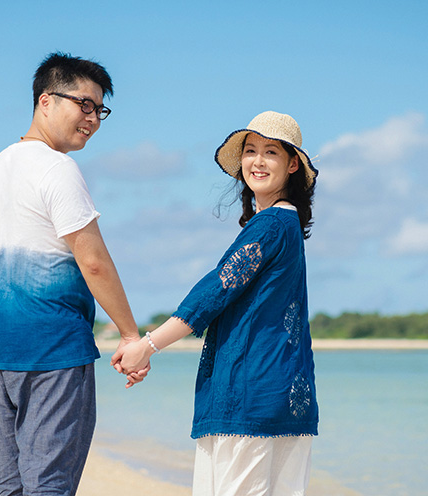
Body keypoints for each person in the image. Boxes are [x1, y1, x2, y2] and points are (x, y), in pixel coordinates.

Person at [112, 111, 320, 496]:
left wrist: (146, 345)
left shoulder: (272, 224)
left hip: (250, 396)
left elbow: (215, 291)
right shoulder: (286, 226)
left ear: (292, 164)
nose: (257, 161)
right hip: (287, 398)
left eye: (270, 152)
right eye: (251, 150)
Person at [0, 52, 145, 496]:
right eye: (83, 104)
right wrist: (130, 335)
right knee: (49, 484)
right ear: (46, 101)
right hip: (52, 347)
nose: (93, 118)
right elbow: (93, 261)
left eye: (99, 109)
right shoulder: (57, 168)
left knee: (12, 485)